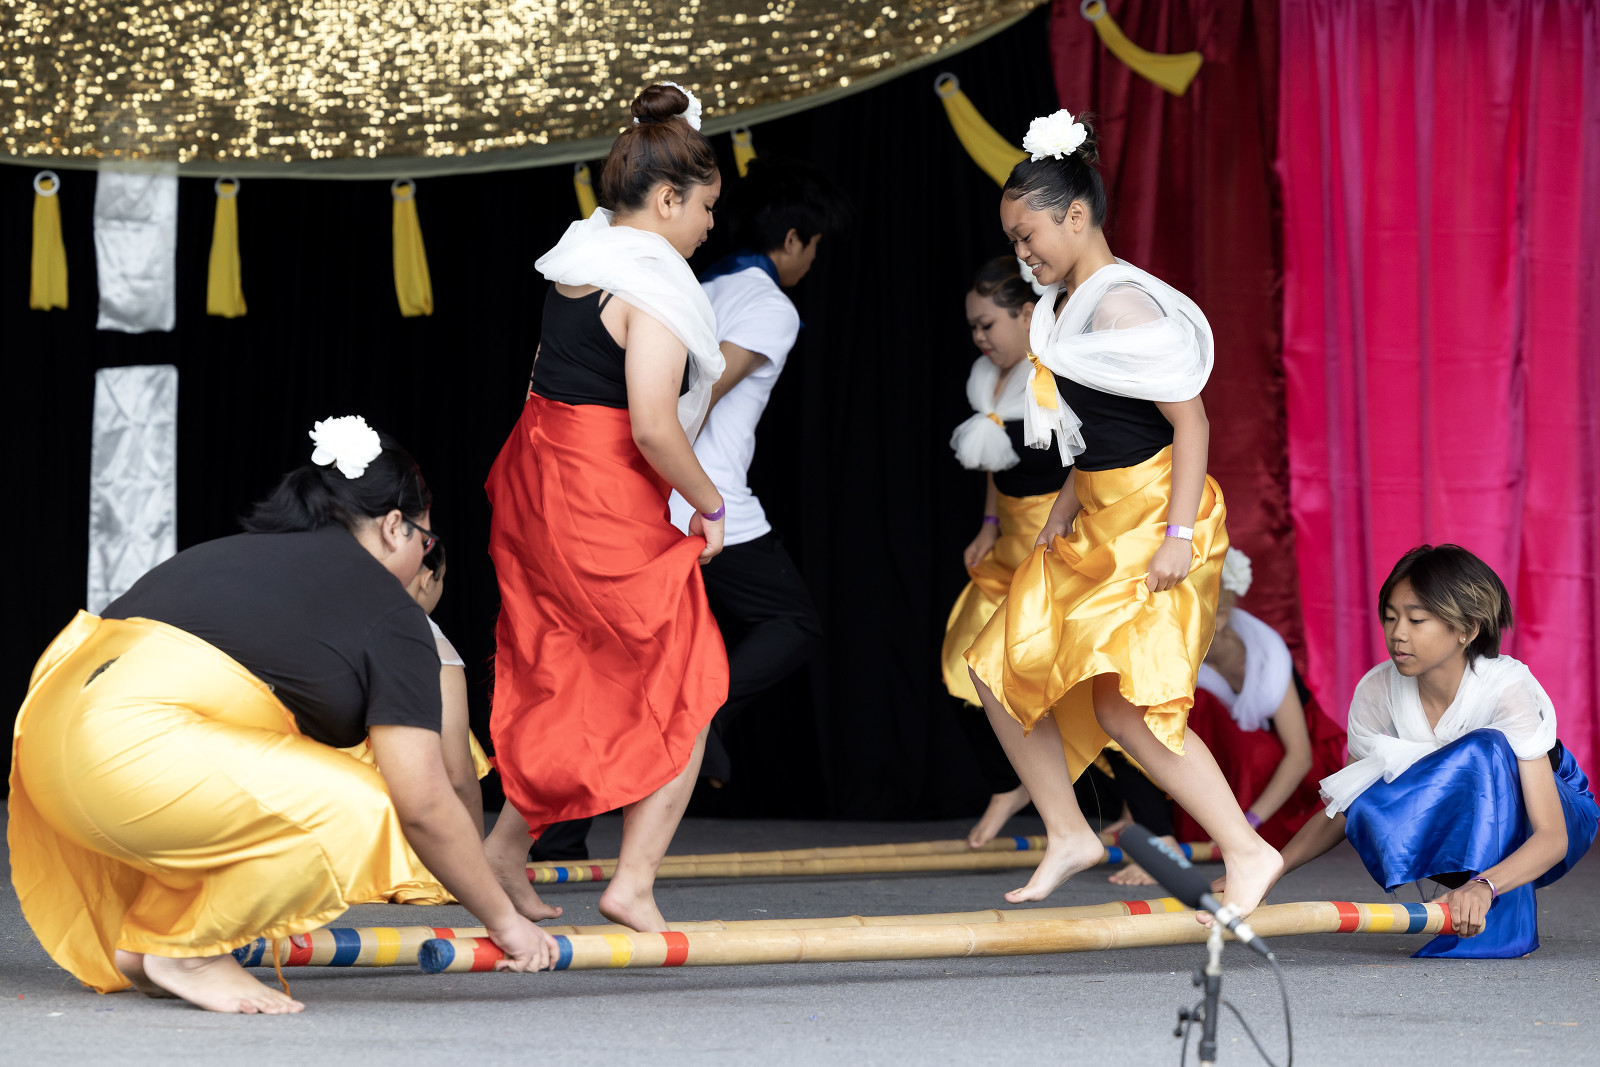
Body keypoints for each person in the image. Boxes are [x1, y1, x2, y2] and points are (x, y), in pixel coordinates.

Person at [8, 416, 556, 1015]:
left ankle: (153, 945)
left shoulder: (228, 553)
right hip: (130, 754)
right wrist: (505, 922)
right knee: (367, 806)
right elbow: (423, 801)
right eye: (425, 541)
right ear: (394, 526)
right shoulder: (388, 611)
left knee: (276, 781)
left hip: (44, 746)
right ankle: (189, 954)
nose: (423, 558)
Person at [962, 108, 1282, 916]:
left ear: (1076, 216)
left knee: (1126, 704)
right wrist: (1066, 504)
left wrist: (1177, 536)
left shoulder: (1123, 304)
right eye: (1014, 239)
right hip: (1100, 512)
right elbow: (1097, 431)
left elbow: (1189, 423)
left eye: (1029, 234)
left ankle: (1247, 849)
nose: (1023, 252)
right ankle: (1069, 831)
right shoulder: (1067, 305)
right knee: (995, 665)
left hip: (1154, 515)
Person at [483, 83, 730, 934]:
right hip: (597, 490)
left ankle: (503, 851)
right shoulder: (650, 281)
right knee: (691, 675)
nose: (709, 226)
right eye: (705, 207)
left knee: (573, 672)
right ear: (667, 201)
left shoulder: (581, 258)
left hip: (539, 480)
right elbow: (655, 426)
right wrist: (709, 504)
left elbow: (539, 379)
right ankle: (633, 880)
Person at [1222, 545, 1597, 957]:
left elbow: (1553, 836)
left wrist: (1484, 885)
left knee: (1485, 749)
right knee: (1373, 791)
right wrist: (1270, 869)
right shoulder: (1376, 689)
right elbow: (1346, 804)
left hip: (1558, 814)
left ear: (1467, 629)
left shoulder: (1506, 688)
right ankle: (1472, 896)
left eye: (1417, 620)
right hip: (1467, 820)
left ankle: (1500, 914)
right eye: (1390, 617)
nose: (1398, 633)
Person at [666, 158, 847, 785]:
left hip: (659, 492)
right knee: (791, 621)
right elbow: (700, 396)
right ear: (792, 239)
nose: (813, 262)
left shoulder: (700, 284)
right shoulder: (771, 304)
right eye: (813, 247)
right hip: (709, 498)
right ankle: (704, 718)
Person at [939, 256, 1058, 847]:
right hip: (1008, 539)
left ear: (1027, 315)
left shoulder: (1052, 379)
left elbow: (1086, 467)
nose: (980, 337)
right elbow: (997, 460)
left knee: (1061, 677)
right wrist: (988, 524)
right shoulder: (987, 381)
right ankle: (1012, 784)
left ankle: (1136, 816)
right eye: (973, 327)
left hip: (1054, 541)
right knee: (964, 660)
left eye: (988, 324)